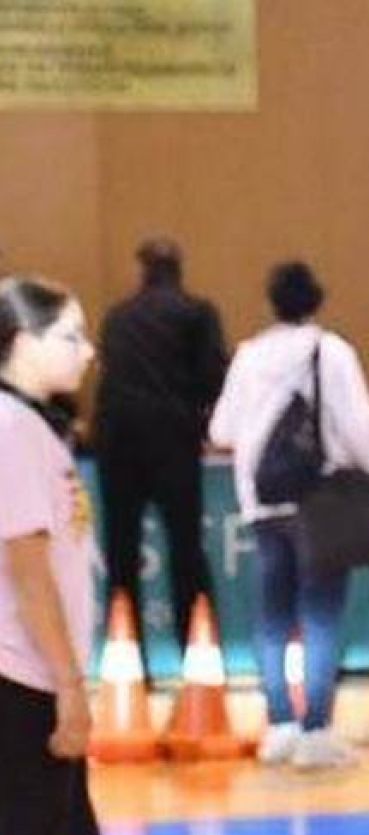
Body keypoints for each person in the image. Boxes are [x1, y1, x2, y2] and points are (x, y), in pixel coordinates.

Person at [0, 276, 174, 835]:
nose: (89, 350)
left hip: (38, 670)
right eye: (69, 335)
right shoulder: (10, 428)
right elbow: (27, 567)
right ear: (20, 342)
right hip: (21, 676)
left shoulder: (34, 426)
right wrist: (69, 686)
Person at [207, 262, 369, 771]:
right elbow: (356, 426)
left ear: (271, 302)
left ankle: (280, 724)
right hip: (319, 500)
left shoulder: (248, 355)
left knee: (272, 616)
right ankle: (316, 730)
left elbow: (222, 429)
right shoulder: (331, 351)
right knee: (321, 614)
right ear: (317, 300)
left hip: (261, 500)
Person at [95, 237, 228, 662]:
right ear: (179, 269)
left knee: (121, 553)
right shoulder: (197, 313)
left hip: (117, 443)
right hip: (174, 441)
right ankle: (197, 654)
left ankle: (127, 658)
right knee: (186, 550)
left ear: (142, 270)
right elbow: (213, 378)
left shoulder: (117, 317)